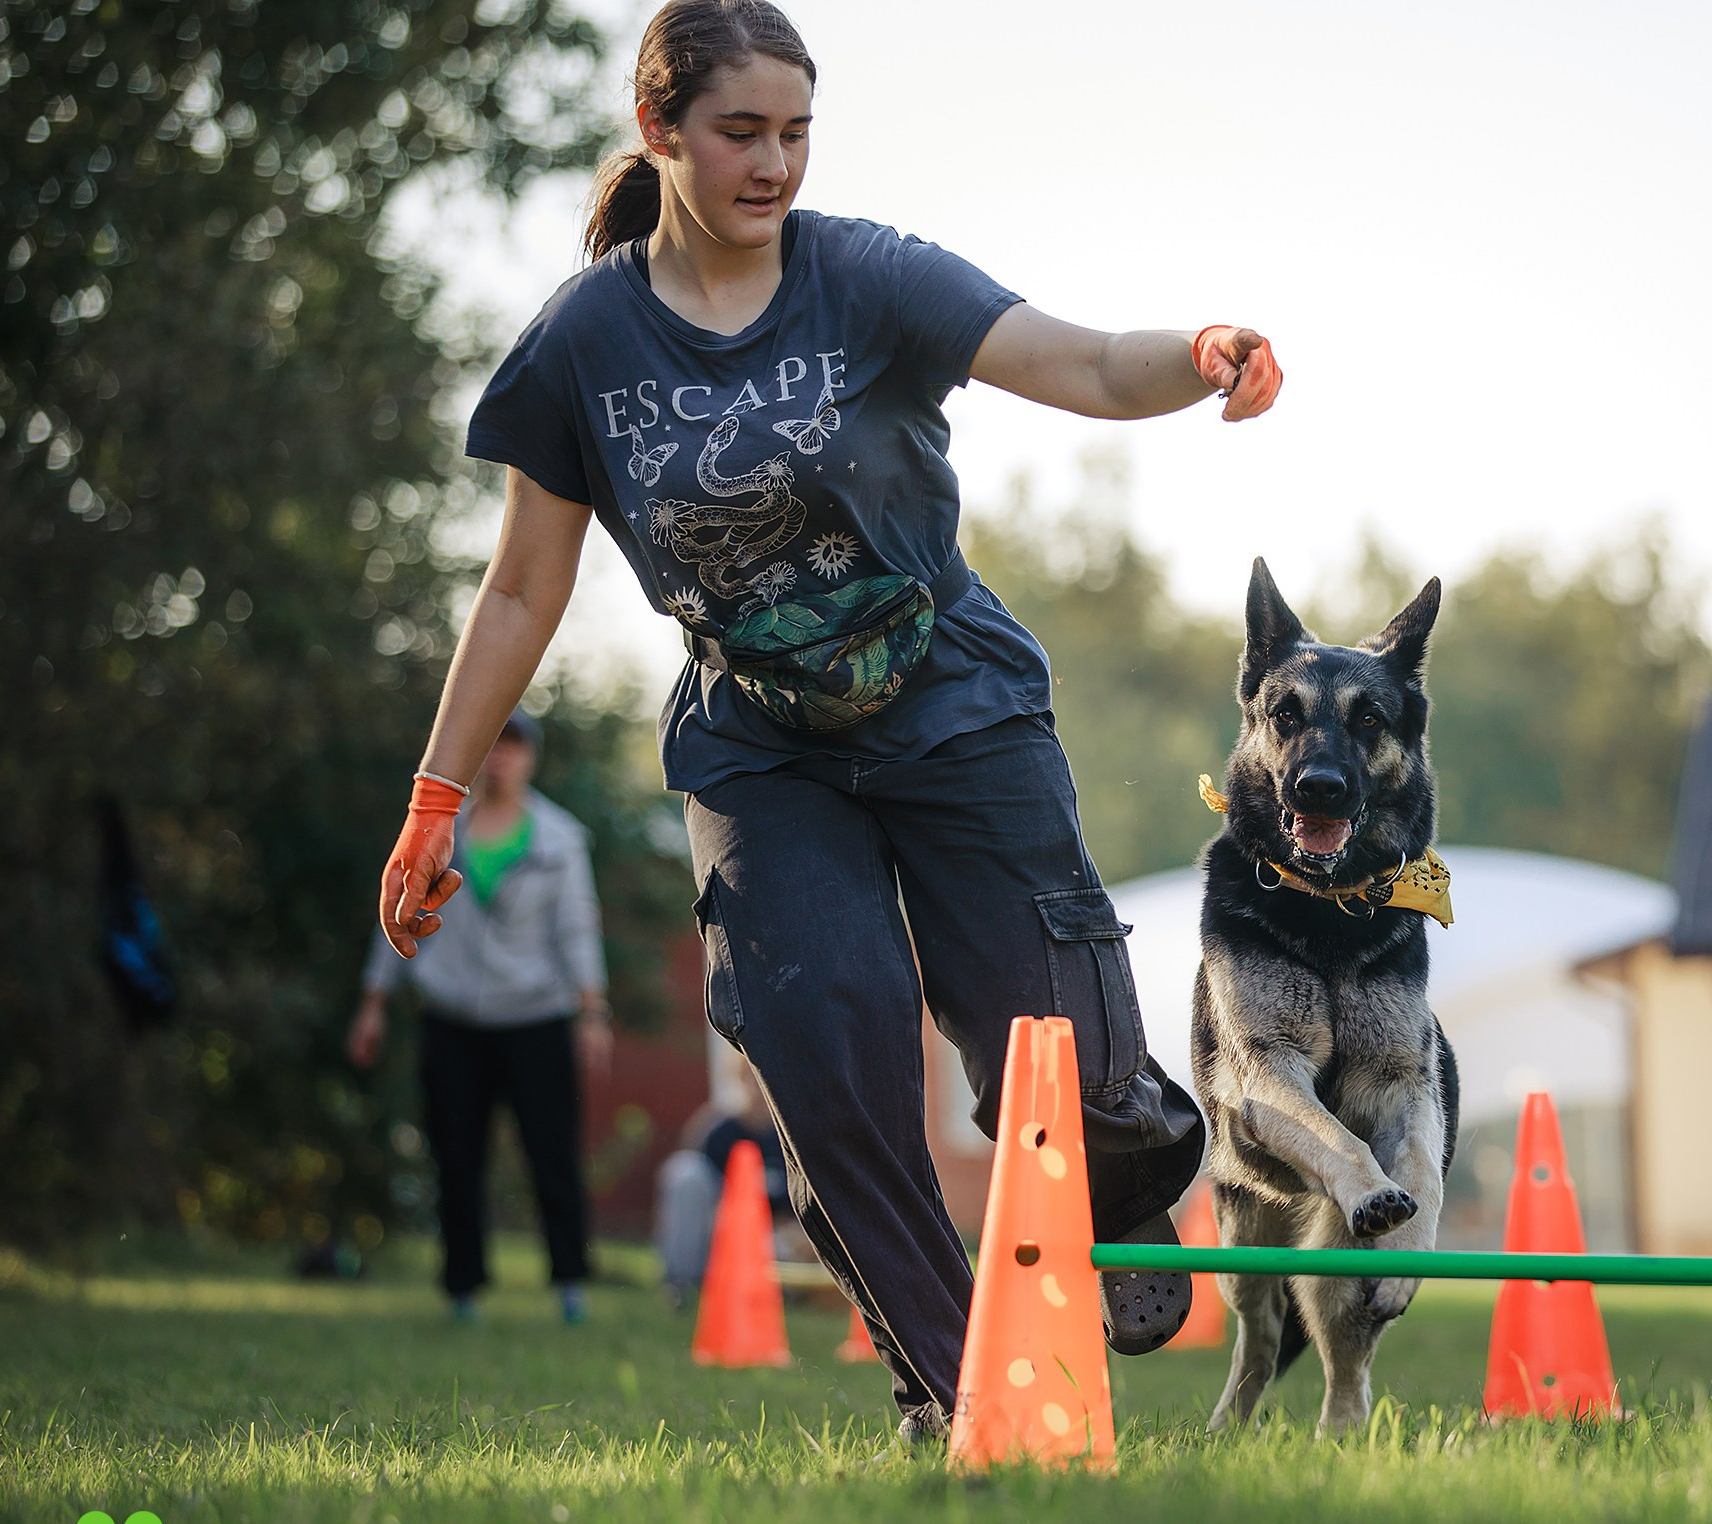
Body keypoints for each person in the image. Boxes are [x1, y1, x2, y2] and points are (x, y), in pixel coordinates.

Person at [373, 0, 1280, 1438]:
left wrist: (1203, 350)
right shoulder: (583, 345)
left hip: (953, 696)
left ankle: (1122, 1181)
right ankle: (958, 1383)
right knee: (826, 1045)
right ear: (659, 129)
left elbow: (1090, 362)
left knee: (1060, 1041)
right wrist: (437, 796)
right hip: (761, 737)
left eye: (797, 132)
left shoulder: (865, 275)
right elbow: (520, 588)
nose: (775, 163)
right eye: (741, 131)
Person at [351, 710, 611, 1323]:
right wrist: (373, 1003)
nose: (502, 760)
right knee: (456, 1155)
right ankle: (462, 1289)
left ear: (531, 759)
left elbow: (578, 929)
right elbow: (398, 912)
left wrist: (592, 1010)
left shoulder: (560, 838)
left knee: (552, 1154)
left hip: (535, 1018)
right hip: (452, 1018)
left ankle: (571, 1285)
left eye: (515, 749)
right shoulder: (441, 833)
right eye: (493, 747)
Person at [654, 1065, 793, 1307]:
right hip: (718, 1235)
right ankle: (678, 1283)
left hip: (768, 1241)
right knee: (685, 1171)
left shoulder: (791, 1139)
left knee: (786, 1243)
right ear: (742, 1079)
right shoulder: (719, 1131)